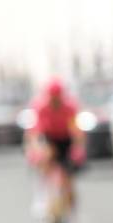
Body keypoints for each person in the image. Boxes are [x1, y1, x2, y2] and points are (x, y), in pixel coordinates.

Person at [25, 78, 86, 214]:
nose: (55, 101)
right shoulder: (40, 106)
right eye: (52, 98)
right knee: (45, 160)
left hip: (65, 139)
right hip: (48, 138)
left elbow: (76, 131)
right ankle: (41, 195)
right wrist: (37, 151)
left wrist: (78, 148)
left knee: (68, 179)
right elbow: (35, 133)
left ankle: (71, 212)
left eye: (57, 98)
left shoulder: (70, 106)